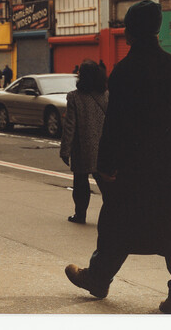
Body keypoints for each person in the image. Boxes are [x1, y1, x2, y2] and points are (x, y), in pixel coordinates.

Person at [65, 0, 171, 315]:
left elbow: (114, 125)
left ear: (130, 31)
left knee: (116, 222)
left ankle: (98, 278)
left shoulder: (125, 71)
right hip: (170, 159)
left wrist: (105, 165)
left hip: (133, 159)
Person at [59, 60, 108, 224]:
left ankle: (80, 215)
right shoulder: (107, 95)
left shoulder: (74, 97)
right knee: (106, 185)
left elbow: (70, 127)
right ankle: (114, 216)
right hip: (104, 147)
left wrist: (65, 150)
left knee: (80, 183)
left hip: (82, 148)